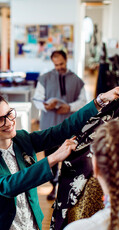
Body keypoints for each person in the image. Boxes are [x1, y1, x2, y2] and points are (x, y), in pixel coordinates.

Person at [0, 87, 119, 230]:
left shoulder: (22, 140)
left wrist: (101, 100)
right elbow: (7, 186)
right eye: (0, 120)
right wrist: (53, 158)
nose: (9, 122)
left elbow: (61, 130)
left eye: (10, 114)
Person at [33, 50, 87, 200]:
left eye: (61, 64)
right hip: (49, 125)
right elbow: (37, 100)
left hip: (69, 125)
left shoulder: (77, 80)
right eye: (56, 64)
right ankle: (53, 186)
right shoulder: (44, 79)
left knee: (71, 156)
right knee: (50, 157)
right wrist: (45, 106)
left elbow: (83, 101)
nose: (58, 67)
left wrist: (69, 107)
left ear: (66, 60)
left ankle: (69, 189)